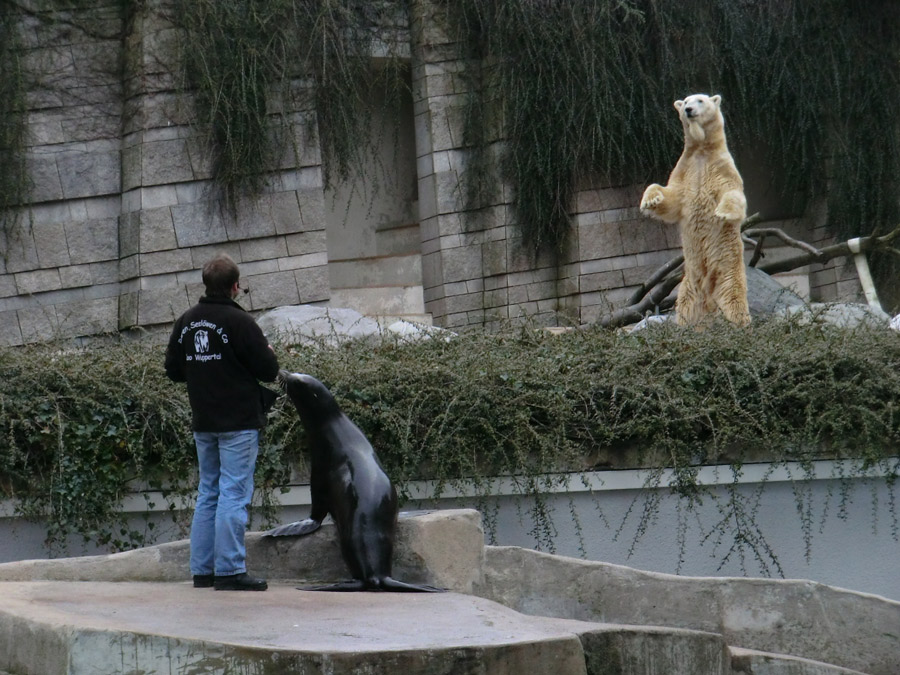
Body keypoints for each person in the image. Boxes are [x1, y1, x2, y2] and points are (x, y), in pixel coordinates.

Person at [165, 253, 279, 591]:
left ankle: (203, 571)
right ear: (234, 286)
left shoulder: (186, 321)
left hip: (204, 420)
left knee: (208, 492)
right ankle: (229, 571)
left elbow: (173, 370)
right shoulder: (241, 323)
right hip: (238, 422)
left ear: (205, 284)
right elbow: (269, 371)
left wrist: (204, 370)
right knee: (233, 493)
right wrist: (268, 353)